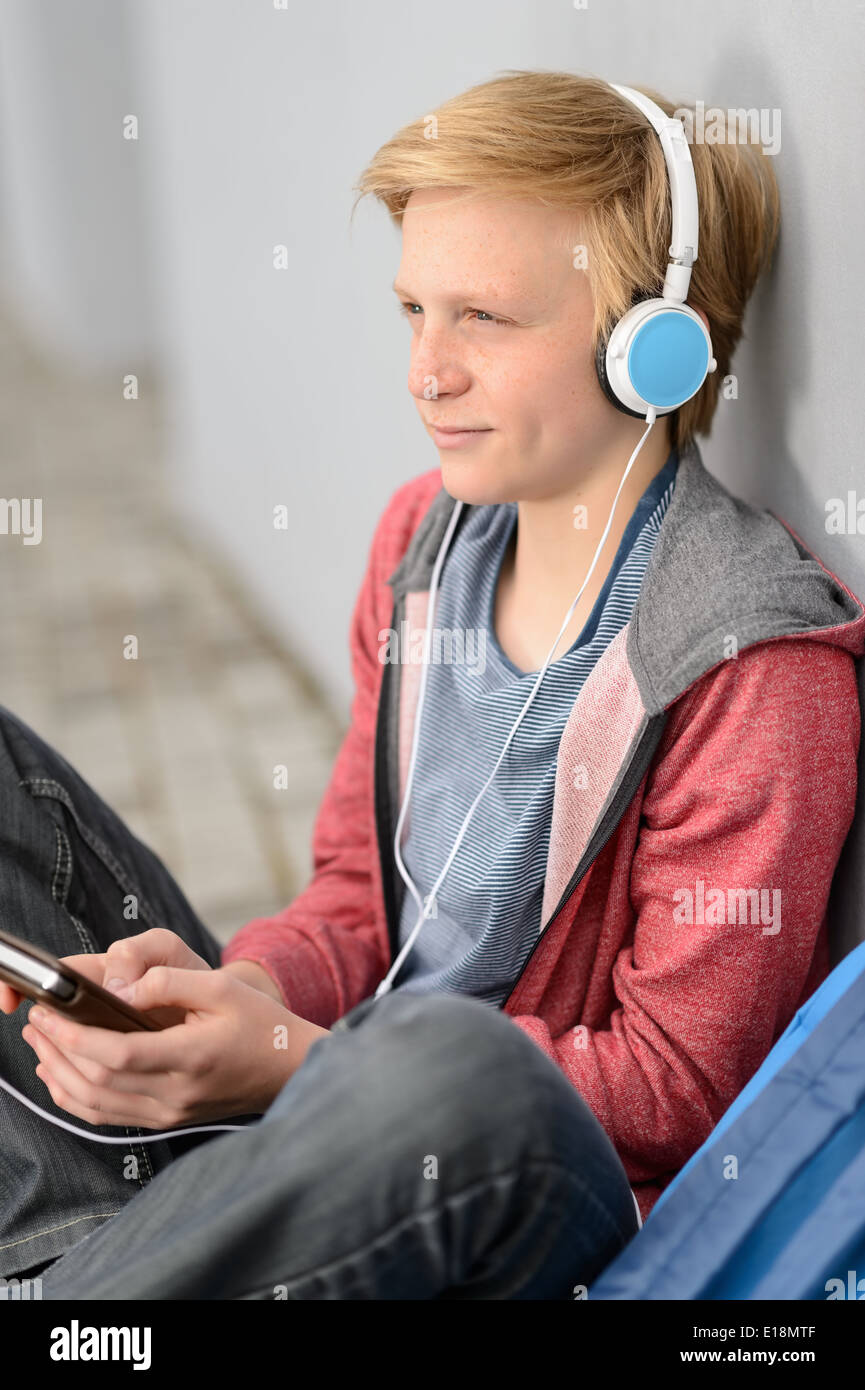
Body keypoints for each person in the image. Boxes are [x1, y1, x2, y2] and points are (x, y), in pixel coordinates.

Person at [1, 71, 862, 1301]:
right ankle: (82, 1269)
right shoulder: (425, 547)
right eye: (412, 309)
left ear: (652, 351)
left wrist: (292, 1062)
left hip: (517, 1193)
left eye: (482, 319)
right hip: (320, 1120)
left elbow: (676, 1095)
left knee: (453, 1067)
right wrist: (235, 998)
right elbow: (357, 897)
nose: (425, 371)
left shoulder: (748, 667)